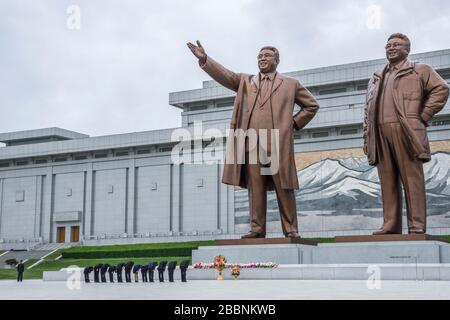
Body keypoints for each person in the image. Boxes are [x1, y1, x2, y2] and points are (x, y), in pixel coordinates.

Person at [188, 41, 319, 239]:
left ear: (276, 60)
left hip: (276, 143)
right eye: (259, 56)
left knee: (284, 187)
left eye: (267, 55)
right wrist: (205, 59)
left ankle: (291, 229)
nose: (262, 58)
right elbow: (226, 75)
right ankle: (257, 229)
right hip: (250, 144)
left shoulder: (290, 84)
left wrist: (292, 124)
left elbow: (311, 106)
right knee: (255, 188)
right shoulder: (246, 82)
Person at [364, 33, 449, 235]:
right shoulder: (377, 76)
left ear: (407, 49)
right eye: (388, 45)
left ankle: (416, 225)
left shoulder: (419, 70)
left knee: (412, 179)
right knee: (387, 180)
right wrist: (367, 134)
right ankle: (390, 224)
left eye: (396, 45)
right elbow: (367, 109)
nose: (391, 48)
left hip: (406, 130)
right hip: (379, 132)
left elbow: (441, 89)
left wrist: (423, 116)